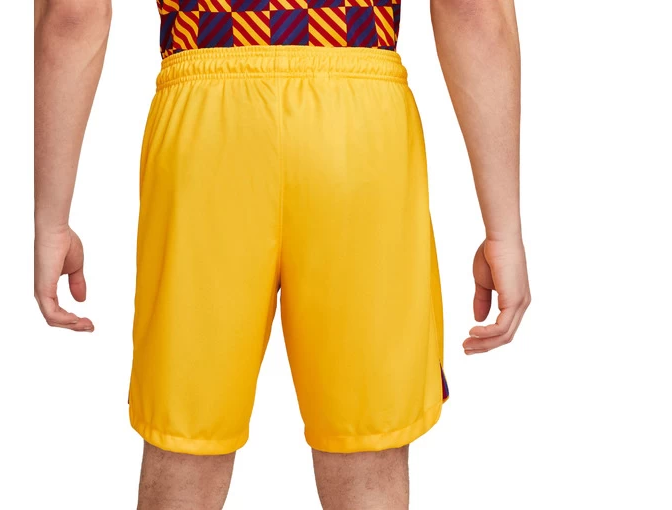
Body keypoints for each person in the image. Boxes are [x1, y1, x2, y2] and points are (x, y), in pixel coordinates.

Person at [34, 0, 530, 508]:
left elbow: (72, 13)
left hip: (206, 117)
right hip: (358, 119)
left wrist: (51, 222)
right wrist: (503, 232)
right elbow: (473, 11)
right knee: (368, 446)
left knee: (184, 441)